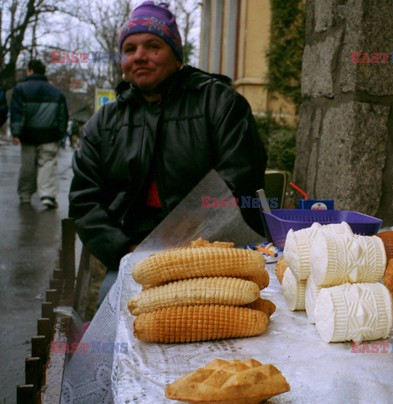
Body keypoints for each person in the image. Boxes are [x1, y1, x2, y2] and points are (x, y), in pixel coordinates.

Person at [68, 1, 267, 302]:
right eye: (130, 49)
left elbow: (239, 176)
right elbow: (84, 201)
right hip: (137, 253)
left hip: (213, 250)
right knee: (113, 304)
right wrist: (125, 251)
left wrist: (189, 242)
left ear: (176, 57)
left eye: (153, 46)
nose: (140, 57)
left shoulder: (221, 104)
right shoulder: (103, 123)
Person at [10, 60, 68, 208]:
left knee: (27, 167)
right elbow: (62, 116)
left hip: (28, 135)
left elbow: (17, 113)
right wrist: (60, 133)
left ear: (30, 71)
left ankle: (25, 195)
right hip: (49, 135)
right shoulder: (56, 92)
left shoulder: (20, 89)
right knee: (47, 164)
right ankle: (47, 195)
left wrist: (16, 133)